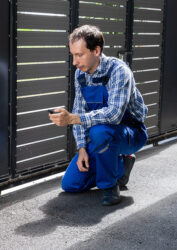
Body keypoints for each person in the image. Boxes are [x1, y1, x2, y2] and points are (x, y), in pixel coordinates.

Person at [49, 25, 148, 206]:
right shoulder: (81, 75)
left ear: (96, 50)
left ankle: (110, 185)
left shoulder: (119, 71)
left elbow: (114, 114)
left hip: (131, 133)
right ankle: (119, 165)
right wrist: (81, 149)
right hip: (103, 136)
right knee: (70, 184)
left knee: (99, 132)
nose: (74, 62)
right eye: (73, 55)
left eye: (79, 55)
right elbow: (79, 110)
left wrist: (71, 118)